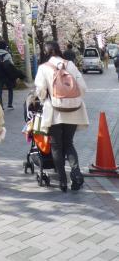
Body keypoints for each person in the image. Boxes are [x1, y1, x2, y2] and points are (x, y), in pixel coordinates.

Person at [35, 41, 88, 192]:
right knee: (69, 143)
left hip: (54, 113)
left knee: (57, 147)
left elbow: (41, 91)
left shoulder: (43, 68)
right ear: (59, 50)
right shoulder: (70, 64)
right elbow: (83, 87)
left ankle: (63, 181)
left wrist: (44, 98)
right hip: (73, 111)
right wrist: (72, 100)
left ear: (46, 53)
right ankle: (76, 174)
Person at [0, 40, 18, 110]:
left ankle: (0, 105)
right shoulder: (8, 55)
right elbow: (12, 65)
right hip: (7, 75)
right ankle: (10, 104)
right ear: (5, 47)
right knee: (10, 89)